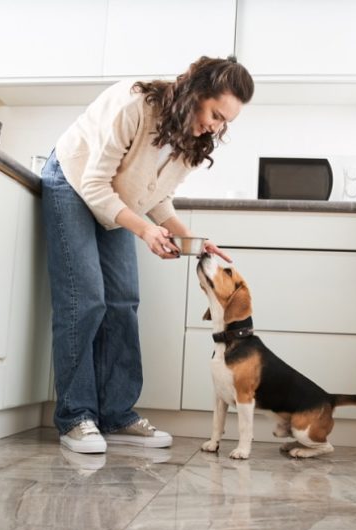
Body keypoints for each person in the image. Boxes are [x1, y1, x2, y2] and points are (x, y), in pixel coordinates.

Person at [40, 56, 254, 453]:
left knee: (123, 301)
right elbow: (94, 182)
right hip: (72, 181)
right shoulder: (134, 105)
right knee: (85, 300)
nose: (217, 126)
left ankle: (117, 416)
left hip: (114, 199)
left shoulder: (193, 139)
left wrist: (192, 238)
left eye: (226, 122)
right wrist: (143, 230)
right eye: (215, 114)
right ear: (196, 93)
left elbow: (158, 197)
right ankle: (76, 417)